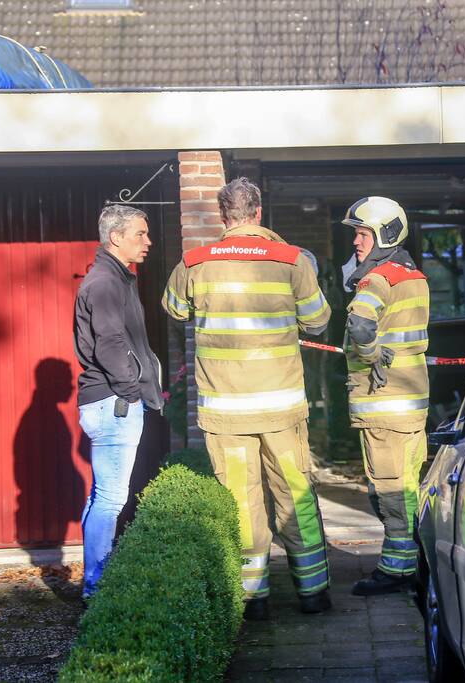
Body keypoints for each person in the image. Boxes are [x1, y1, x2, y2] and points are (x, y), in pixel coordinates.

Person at [162, 178, 333, 619]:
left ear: (224, 217)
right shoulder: (292, 259)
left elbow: (174, 308)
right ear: (258, 213)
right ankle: (313, 594)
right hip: (281, 406)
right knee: (294, 492)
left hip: (226, 410)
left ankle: (254, 600)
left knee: (241, 501)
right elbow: (317, 321)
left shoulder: (194, 262)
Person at [340, 196, 431, 596]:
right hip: (412, 403)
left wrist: (373, 354)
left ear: (385, 235)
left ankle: (396, 569)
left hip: (381, 404)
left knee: (388, 487)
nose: (357, 242)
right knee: (409, 484)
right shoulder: (414, 276)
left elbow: (360, 325)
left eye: (363, 234)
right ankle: (417, 559)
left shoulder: (376, 279)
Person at [73, 204, 164, 600]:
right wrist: (130, 390)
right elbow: (110, 343)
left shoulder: (115, 279)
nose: (148, 241)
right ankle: (97, 587)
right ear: (116, 238)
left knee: (101, 496)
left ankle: (95, 581)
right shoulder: (106, 283)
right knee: (110, 498)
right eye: (140, 234)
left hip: (111, 401)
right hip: (114, 403)